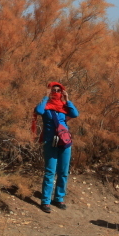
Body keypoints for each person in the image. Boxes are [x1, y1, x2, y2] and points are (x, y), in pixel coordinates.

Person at [33, 81, 79, 213]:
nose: (57, 93)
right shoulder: (46, 106)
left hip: (65, 142)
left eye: (59, 90)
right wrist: (46, 96)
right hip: (50, 142)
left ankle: (59, 198)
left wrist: (67, 99)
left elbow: (75, 114)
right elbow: (39, 110)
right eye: (54, 90)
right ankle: (45, 201)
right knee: (50, 172)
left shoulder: (64, 107)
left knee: (63, 172)